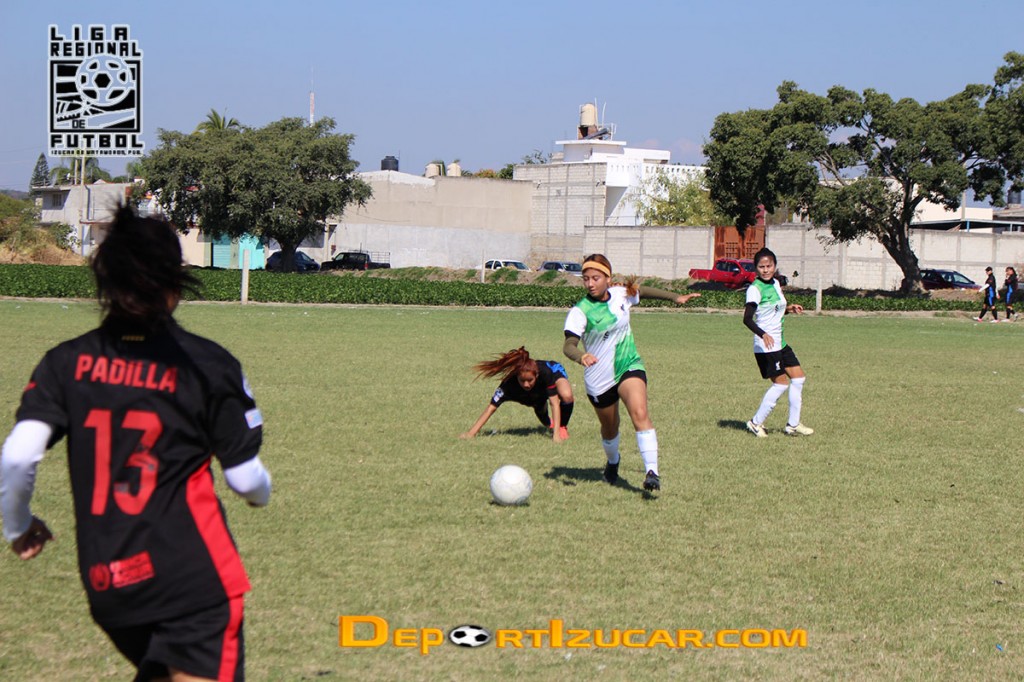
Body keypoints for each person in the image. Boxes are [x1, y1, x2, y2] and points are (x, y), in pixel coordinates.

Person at [0, 206, 271, 682]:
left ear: (105, 280)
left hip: (109, 585)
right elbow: (245, 479)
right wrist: (262, 494)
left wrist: (17, 525)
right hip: (192, 579)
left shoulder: (65, 362)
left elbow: (19, 454)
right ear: (174, 281)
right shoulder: (208, 364)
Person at [562, 254, 701, 491]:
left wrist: (675, 297)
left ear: (608, 278)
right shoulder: (580, 311)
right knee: (610, 429)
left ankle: (652, 472)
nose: (590, 284)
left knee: (640, 412)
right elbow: (568, 345)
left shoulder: (620, 294)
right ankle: (613, 461)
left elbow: (642, 291)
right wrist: (581, 356)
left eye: (596, 278)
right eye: (586, 279)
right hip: (599, 377)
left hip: (628, 364)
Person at [743, 247, 813, 438]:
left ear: (774, 266)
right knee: (781, 384)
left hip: (780, 343)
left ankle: (793, 424)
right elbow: (747, 319)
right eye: (761, 267)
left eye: (769, 266)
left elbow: (775, 310)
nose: (766, 270)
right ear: (756, 268)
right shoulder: (755, 289)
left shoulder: (775, 283)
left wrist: (789, 309)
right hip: (766, 346)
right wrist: (763, 334)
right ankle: (755, 423)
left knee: (798, 378)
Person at [460, 347, 574, 442]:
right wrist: (471, 433)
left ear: (536, 376)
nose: (526, 384)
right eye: (522, 380)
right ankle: (549, 421)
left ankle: (562, 426)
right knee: (540, 409)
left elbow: (554, 403)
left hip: (555, 371)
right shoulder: (508, 384)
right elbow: (491, 408)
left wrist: (556, 435)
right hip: (536, 393)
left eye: (530, 380)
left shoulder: (546, 373)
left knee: (567, 395)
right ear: (516, 377)